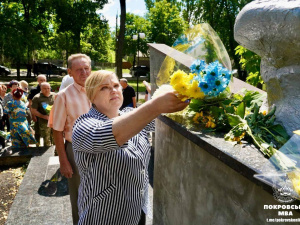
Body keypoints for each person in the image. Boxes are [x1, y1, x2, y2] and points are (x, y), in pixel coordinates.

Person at [72, 70, 189, 225]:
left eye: (115, 85)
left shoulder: (130, 113)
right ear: (92, 96)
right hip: (103, 215)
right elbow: (112, 134)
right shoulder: (83, 125)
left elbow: (166, 118)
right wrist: (154, 106)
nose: (113, 90)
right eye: (104, 88)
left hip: (137, 210)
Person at [48, 53, 91, 224]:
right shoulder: (63, 96)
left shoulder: (100, 90)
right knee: (80, 197)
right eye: (79, 69)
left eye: (86, 68)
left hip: (102, 149)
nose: (84, 73)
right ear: (70, 72)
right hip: (77, 150)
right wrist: (63, 161)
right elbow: (57, 131)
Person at [31, 82, 55, 147]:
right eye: (44, 88)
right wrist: (44, 116)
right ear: (41, 88)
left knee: (55, 137)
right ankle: (47, 154)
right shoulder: (37, 98)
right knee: (46, 139)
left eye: (48, 88)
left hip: (55, 121)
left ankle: (56, 153)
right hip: (44, 121)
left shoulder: (54, 95)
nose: (47, 90)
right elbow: (33, 110)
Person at [28, 75, 47, 146]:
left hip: (47, 114)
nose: (42, 82)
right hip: (37, 114)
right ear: (37, 81)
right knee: (37, 132)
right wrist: (33, 115)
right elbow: (30, 103)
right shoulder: (34, 90)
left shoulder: (48, 88)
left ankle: (48, 147)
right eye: (41, 80)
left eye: (44, 80)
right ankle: (37, 145)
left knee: (47, 132)